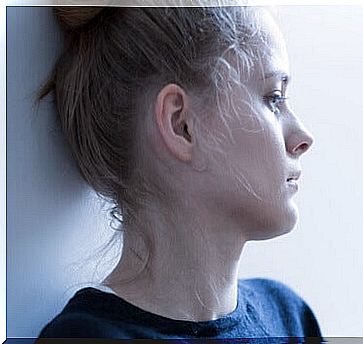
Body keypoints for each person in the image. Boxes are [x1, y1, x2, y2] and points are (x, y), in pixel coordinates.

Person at [36, 4, 323, 341]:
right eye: (273, 98)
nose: (304, 137)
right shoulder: (87, 337)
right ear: (182, 125)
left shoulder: (289, 319)